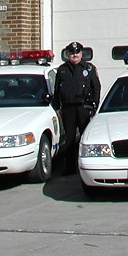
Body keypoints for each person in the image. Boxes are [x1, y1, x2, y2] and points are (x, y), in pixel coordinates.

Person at [53, 41, 101, 175]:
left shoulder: (89, 68)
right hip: (68, 109)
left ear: (81, 54)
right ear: (68, 54)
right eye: (72, 53)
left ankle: (86, 166)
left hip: (83, 108)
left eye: (77, 53)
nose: (75, 55)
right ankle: (70, 168)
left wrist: (94, 106)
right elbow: (57, 90)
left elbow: (96, 88)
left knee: (85, 138)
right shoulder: (62, 70)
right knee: (69, 140)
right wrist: (58, 107)